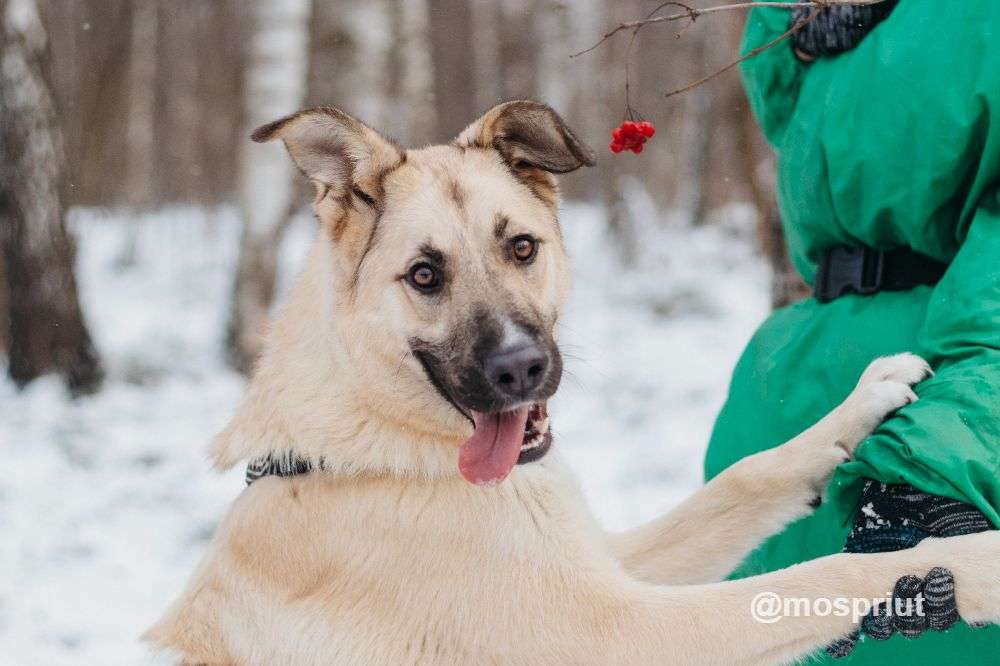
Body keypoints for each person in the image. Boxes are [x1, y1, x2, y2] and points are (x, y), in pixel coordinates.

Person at [704, 0, 1000, 662]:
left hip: (939, 405)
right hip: (791, 390)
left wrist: (946, 455)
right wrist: (793, 27)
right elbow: (787, 107)